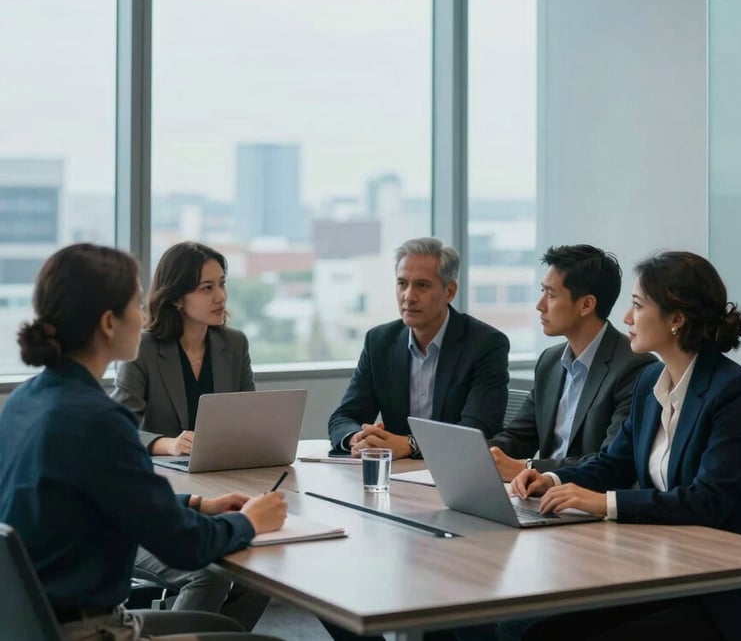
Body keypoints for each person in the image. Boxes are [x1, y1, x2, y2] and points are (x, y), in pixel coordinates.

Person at [0, 242, 287, 641]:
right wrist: (249, 522)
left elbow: (105, 496)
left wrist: (196, 503)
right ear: (108, 323)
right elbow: (185, 546)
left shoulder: (24, 401)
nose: (145, 316)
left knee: (222, 628)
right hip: (90, 630)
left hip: (32, 624)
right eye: (137, 305)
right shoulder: (100, 421)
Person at [508, 250, 741, 641]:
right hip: (661, 569)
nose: (626, 319)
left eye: (637, 306)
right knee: (533, 631)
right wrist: (551, 478)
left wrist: (605, 502)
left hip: (722, 589)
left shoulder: (734, 392)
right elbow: (614, 464)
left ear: (676, 319)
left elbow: (708, 500)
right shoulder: (650, 383)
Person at [111, 241, 265, 627]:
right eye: (206, 287)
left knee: (263, 573)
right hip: (160, 501)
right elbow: (120, 428)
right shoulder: (142, 348)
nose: (221, 296)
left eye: (222, 283)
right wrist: (165, 443)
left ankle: (215, 637)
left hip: (222, 489)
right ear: (178, 298)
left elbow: (251, 416)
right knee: (210, 571)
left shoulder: (234, 343)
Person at [328, 236, 510, 459]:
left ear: (449, 291)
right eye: (402, 283)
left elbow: (478, 429)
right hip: (397, 472)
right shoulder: (379, 341)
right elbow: (344, 417)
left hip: (455, 472)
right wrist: (357, 439)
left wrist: (412, 444)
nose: (409, 296)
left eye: (422, 286)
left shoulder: (486, 344)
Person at [488, 244, 657, 481]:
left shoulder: (635, 366)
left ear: (586, 305)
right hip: (538, 496)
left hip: (588, 501)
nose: (540, 305)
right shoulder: (550, 361)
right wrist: (480, 455)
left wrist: (528, 468)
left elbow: (609, 460)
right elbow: (518, 437)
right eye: (542, 291)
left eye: (551, 294)